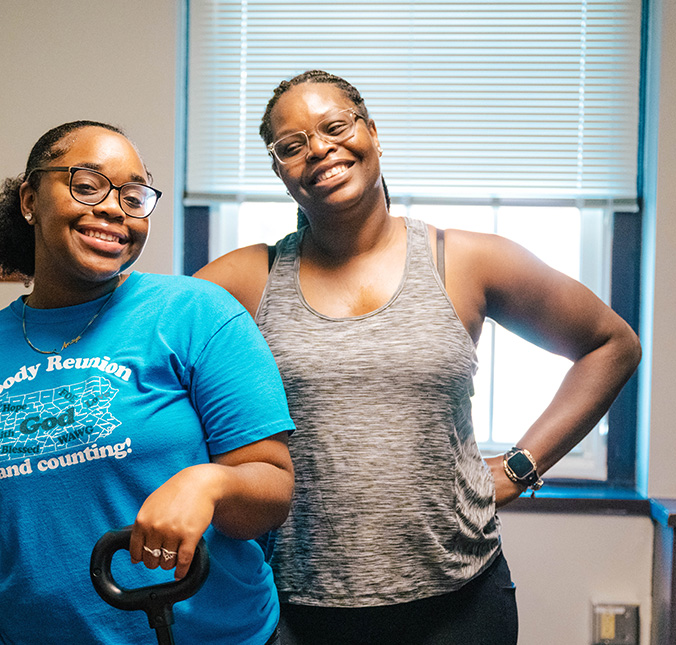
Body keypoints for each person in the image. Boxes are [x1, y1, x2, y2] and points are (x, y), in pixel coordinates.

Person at [193, 71, 642, 645]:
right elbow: (146, 360)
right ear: (280, 172)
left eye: (335, 126)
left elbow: (611, 346)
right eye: (292, 145)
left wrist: (520, 467)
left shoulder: (465, 260)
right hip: (299, 611)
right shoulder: (246, 279)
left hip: (461, 604)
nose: (319, 149)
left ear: (373, 134)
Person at [0, 120, 294, 644]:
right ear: (31, 199)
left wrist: (208, 483)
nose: (113, 208)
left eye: (133, 195)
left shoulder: (196, 313)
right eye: (87, 185)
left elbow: (272, 485)